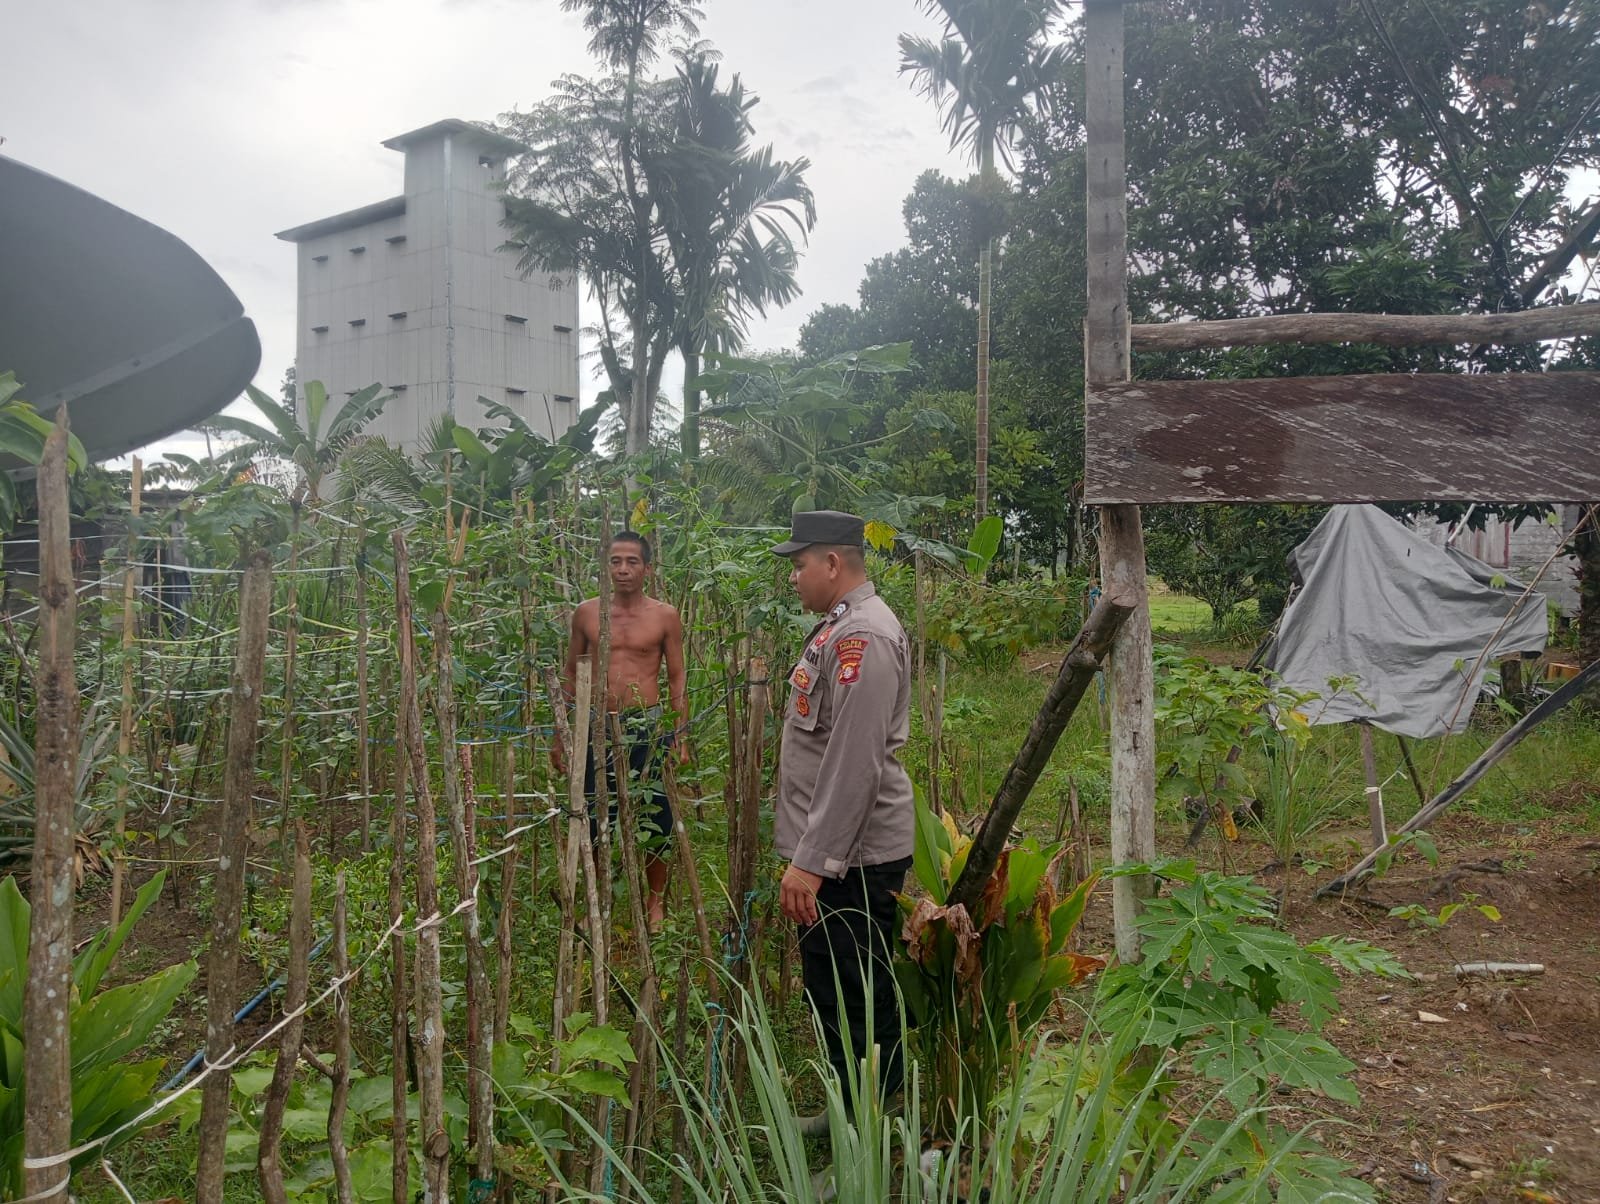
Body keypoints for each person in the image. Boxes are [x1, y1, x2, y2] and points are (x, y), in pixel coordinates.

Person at [771, 509, 915, 1125]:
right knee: (830, 990)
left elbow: (854, 765)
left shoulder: (866, 640)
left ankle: (875, 1135)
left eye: (800, 565)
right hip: (832, 856)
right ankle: (845, 1109)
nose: (794, 578)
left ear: (832, 563)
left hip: (851, 860)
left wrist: (812, 864)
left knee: (863, 996)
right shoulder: (839, 628)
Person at [552, 531, 688, 931]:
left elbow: (677, 677)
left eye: (632, 561)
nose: (623, 569)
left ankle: (655, 902)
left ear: (647, 568)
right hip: (597, 727)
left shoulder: (665, 615)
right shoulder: (587, 613)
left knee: (657, 815)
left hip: (647, 723)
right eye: (615, 561)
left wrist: (679, 734)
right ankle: (597, 897)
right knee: (595, 813)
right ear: (606, 566)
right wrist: (560, 736)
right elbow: (570, 674)